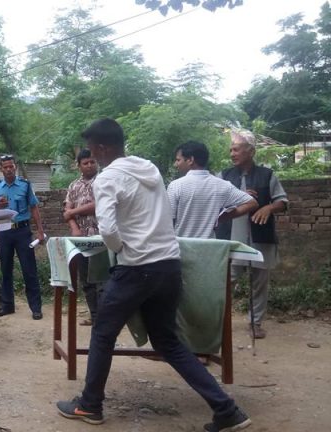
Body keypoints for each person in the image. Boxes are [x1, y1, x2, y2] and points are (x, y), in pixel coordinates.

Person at [56, 119, 252, 432]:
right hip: (169, 264)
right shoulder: (150, 168)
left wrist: (121, 250)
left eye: (92, 149)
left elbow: (108, 229)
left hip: (136, 268)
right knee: (167, 341)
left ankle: (90, 405)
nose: (91, 155)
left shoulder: (107, 179)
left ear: (102, 148)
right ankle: (227, 410)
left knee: (103, 333)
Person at [215, 131, 288, 339]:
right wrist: (238, 198)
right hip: (230, 239)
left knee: (259, 283)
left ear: (251, 151)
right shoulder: (223, 176)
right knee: (225, 281)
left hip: (260, 238)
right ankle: (218, 320)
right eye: (231, 149)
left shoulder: (267, 175)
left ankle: (255, 323)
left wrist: (268, 208)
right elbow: (215, 203)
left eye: (236, 149)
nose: (232, 153)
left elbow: (282, 202)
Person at [0, 154, 45, 320]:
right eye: (5, 167)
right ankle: (7, 305)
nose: (9, 169)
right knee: (6, 269)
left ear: (15, 167)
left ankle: (36, 308)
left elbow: (34, 207)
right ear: (1, 169)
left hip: (22, 232)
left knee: (29, 270)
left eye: (11, 166)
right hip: (4, 232)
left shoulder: (25, 185)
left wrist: (40, 231)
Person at [167, 141, 257, 239]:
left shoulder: (176, 186)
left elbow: (167, 220)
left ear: (190, 160)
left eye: (178, 160)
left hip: (182, 245)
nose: (176, 164)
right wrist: (222, 218)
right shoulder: (222, 185)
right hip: (210, 246)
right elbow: (252, 203)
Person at [63, 148, 100, 326]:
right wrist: (74, 228)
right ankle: (95, 315)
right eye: (85, 163)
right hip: (81, 239)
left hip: (102, 237)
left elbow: (98, 205)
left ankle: (107, 317)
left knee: (103, 279)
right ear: (79, 166)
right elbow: (66, 211)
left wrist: (73, 211)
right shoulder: (73, 185)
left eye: (92, 162)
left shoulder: (103, 181)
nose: (90, 165)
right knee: (86, 280)